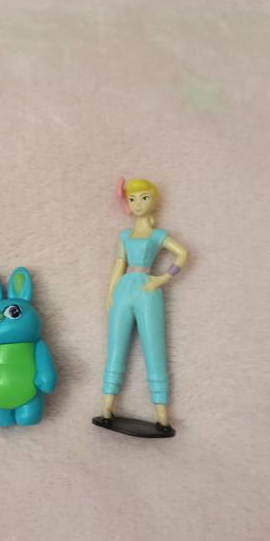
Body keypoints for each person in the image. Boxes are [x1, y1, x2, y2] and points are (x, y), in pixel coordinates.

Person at [101, 178, 188, 433]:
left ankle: (162, 415)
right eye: (132, 199)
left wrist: (164, 278)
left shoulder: (157, 235)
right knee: (116, 348)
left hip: (148, 289)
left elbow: (183, 253)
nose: (138, 204)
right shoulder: (124, 236)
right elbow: (118, 265)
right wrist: (109, 294)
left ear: (154, 200)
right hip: (123, 290)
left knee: (154, 348)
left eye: (143, 198)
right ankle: (106, 407)